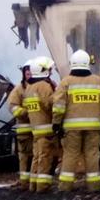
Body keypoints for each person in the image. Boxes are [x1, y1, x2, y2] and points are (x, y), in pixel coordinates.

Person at [51, 49, 100, 192]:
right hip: (94, 126)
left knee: (70, 154)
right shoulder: (98, 81)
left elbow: (58, 106)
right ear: (88, 63)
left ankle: (65, 186)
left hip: (72, 128)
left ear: (72, 64)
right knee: (92, 154)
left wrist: (56, 124)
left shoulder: (66, 82)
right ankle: (94, 186)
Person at [20, 57, 60, 192]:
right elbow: (50, 104)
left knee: (37, 158)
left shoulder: (30, 87)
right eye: (49, 69)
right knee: (45, 158)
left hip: (36, 130)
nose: (51, 72)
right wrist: (58, 95)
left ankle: (33, 185)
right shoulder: (43, 86)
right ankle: (42, 187)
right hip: (46, 130)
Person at [6, 60, 36, 189]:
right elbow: (13, 107)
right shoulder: (18, 90)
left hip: (39, 129)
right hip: (24, 130)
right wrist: (27, 113)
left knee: (38, 156)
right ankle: (24, 183)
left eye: (31, 73)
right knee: (24, 158)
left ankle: (35, 182)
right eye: (27, 73)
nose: (29, 76)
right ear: (23, 74)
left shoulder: (40, 87)